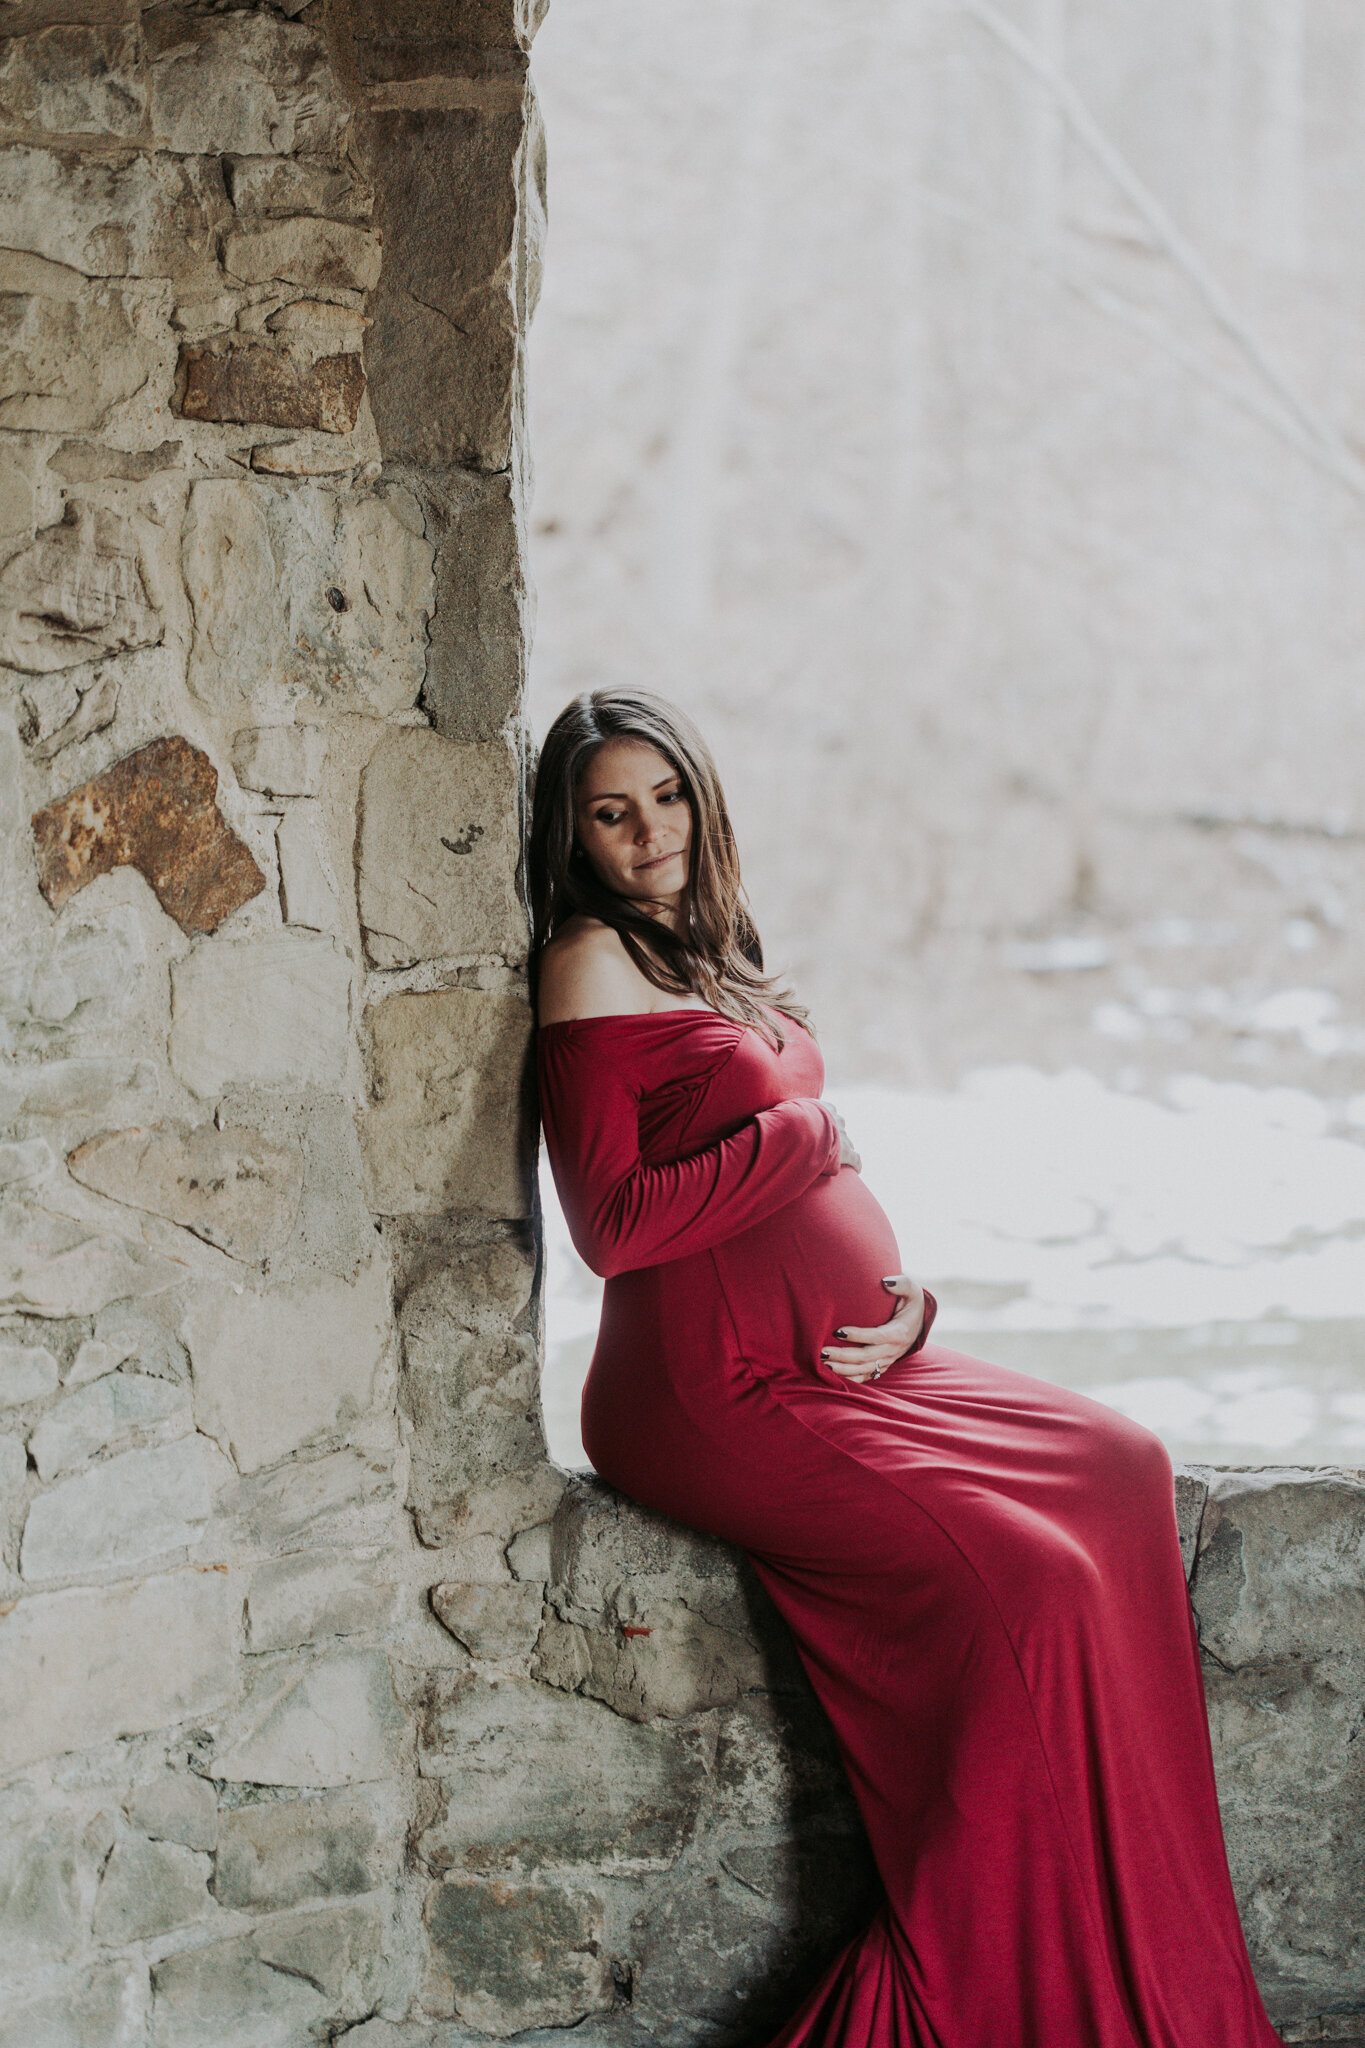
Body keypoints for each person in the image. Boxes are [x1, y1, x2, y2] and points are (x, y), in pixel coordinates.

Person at [529, 686, 1283, 2048]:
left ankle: (1141, 1940)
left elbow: (792, 1189)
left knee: (1123, 1466)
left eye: (668, 798)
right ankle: (986, 1970)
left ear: (705, 798)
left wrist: (909, 1301)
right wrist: (809, 1141)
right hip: (713, 1389)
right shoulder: (589, 960)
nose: (648, 834)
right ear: (572, 837)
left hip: (838, 1361)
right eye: (610, 813)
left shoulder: (714, 952)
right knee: (1035, 1583)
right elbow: (615, 1227)